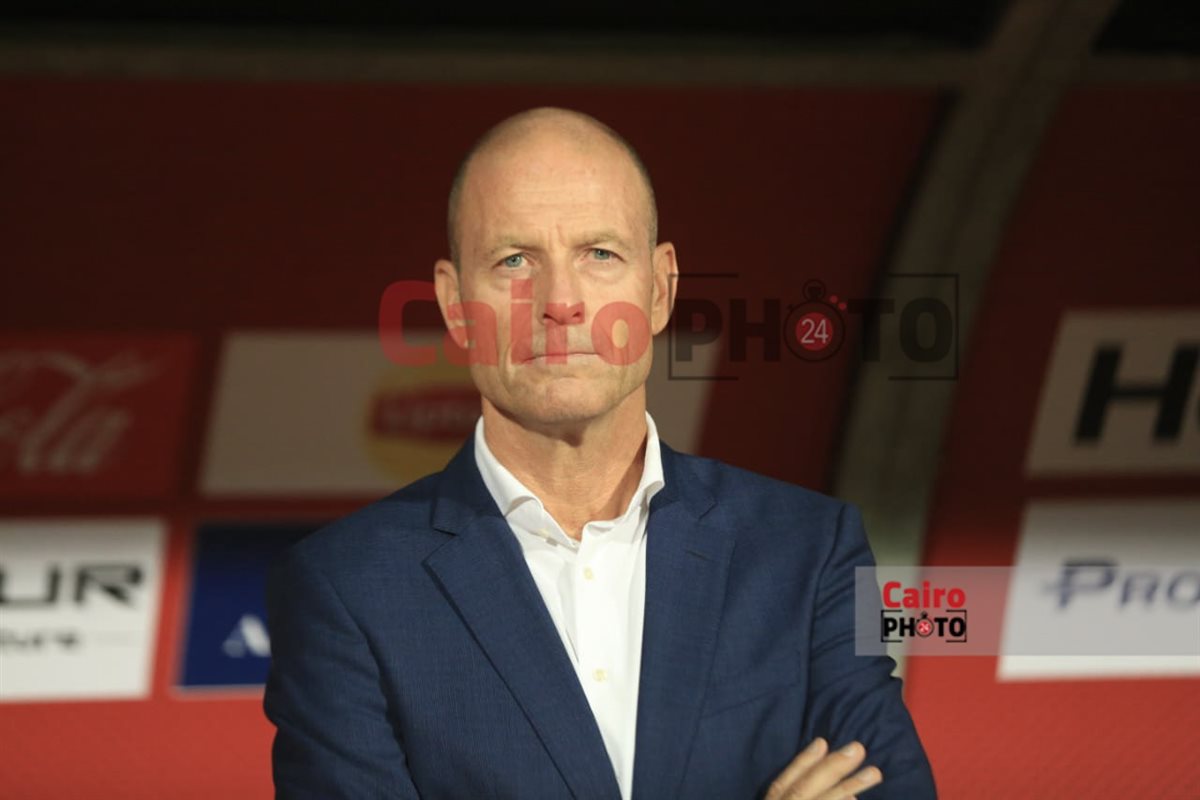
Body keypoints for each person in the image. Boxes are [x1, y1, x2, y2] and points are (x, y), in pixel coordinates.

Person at [263, 107, 936, 800]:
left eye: (600, 254)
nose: (561, 301)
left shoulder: (809, 551)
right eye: (514, 260)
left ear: (660, 288)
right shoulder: (345, 590)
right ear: (455, 304)